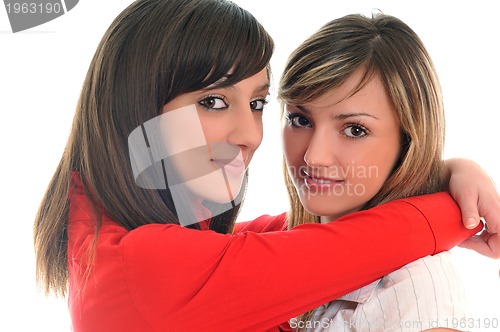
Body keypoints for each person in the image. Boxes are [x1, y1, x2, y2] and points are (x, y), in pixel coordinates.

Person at [33, 1, 498, 331]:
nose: (250, 136)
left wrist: (438, 171)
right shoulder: (144, 265)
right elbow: (331, 248)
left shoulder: (103, 233)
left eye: (257, 103)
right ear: (135, 109)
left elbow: (282, 239)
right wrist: (453, 208)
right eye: (213, 101)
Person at [279, 13, 494, 331]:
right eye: (300, 120)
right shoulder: (277, 245)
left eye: (354, 129)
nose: (314, 156)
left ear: (406, 142)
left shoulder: (417, 299)